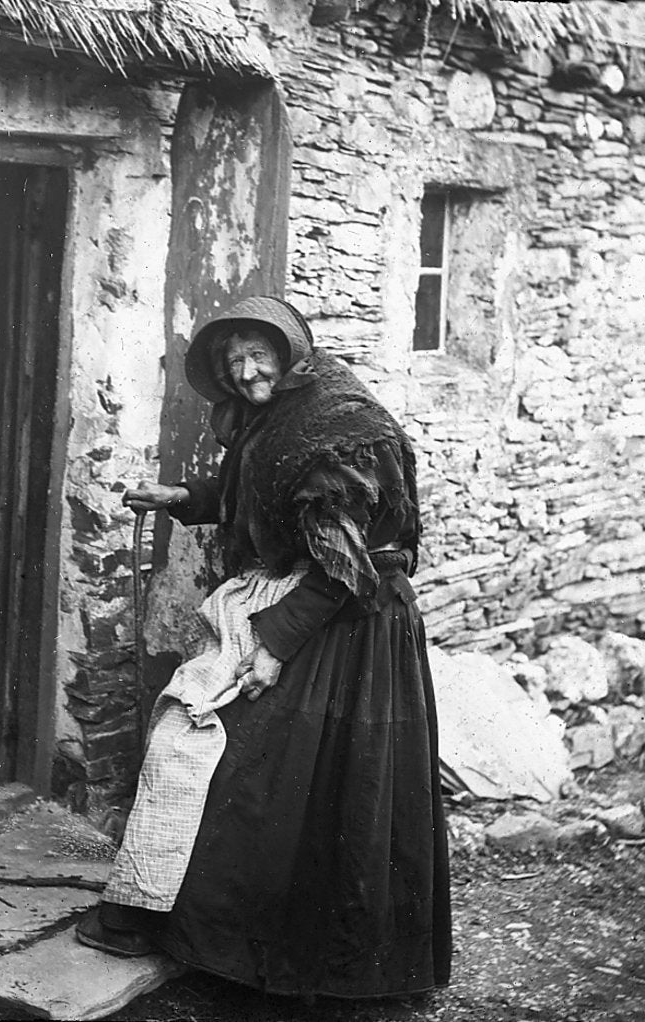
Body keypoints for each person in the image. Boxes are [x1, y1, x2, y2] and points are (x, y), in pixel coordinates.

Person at [76, 295, 451, 1000]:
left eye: (258, 355)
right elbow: (259, 492)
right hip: (308, 600)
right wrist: (182, 495)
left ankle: (303, 960)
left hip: (350, 620)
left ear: (290, 351)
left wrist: (273, 645)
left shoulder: (339, 428)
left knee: (236, 754)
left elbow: (348, 562)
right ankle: (196, 929)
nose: (247, 372)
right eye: (234, 361)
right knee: (227, 757)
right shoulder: (278, 417)